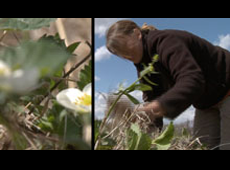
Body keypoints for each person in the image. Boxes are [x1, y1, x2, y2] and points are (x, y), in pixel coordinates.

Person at [106, 20, 230, 150]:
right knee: (204, 146)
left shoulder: (166, 42)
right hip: (206, 102)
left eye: (123, 45)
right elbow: (152, 96)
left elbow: (192, 79)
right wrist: (148, 137)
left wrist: (156, 107)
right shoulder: (143, 65)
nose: (124, 54)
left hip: (226, 84)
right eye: (118, 52)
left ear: (137, 34)